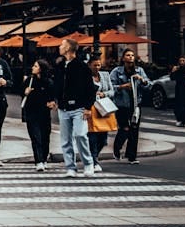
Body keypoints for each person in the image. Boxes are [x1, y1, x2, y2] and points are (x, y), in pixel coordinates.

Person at [48, 38, 95, 177]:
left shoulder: (81, 66)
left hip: (79, 107)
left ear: (68, 48)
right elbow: (56, 84)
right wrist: (54, 99)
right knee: (65, 139)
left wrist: (88, 107)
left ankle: (88, 163)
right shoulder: (60, 65)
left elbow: (90, 88)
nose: (60, 47)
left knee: (80, 135)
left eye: (62, 45)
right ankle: (71, 167)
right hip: (63, 108)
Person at [111, 49, 150, 164]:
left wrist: (142, 80)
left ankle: (131, 156)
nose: (130, 57)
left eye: (132, 55)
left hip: (135, 104)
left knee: (134, 130)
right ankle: (117, 147)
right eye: (128, 55)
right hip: (122, 104)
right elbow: (111, 87)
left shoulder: (139, 70)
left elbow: (148, 85)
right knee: (125, 128)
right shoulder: (117, 71)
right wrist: (122, 86)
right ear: (123, 58)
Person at [22, 59, 54, 172]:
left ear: (41, 69)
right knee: (35, 137)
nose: (33, 68)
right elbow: (22, 92)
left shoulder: (48, 82)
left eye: (35, 66)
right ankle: (38, 161)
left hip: (44, 113)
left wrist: (52, 102)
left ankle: (44, 159)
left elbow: (52, 96)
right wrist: (25, 92)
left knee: (45, 137)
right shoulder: (29, 80)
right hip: (32, 112)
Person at [87, 56, 115, 171]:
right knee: (92, 136)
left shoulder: (105, 75)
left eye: (99, 65)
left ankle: (94, 156)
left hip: (103, 109)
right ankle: (94, 160)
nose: (97, 67)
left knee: (103, 139)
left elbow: (112, 91)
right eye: (95, 65)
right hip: (91, 108)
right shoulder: (85, 77)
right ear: (89, 65)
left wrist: (104, 94)